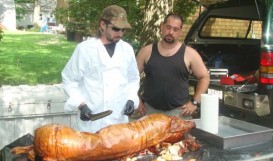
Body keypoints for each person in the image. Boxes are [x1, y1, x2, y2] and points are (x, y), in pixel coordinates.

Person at [61, 5, 140, 133]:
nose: (120, 34)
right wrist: (81, 105)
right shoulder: (85, 49)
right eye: (115, 29)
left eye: (123, 30)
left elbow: (133, 79)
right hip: (93, 121)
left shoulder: (127, 49)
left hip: (118, 121)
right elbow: (70, 80)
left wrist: (131, 99)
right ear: (103, 25)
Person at [136, 13, 210, 118]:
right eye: (168, 27)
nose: (170, 32)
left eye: (175, 29)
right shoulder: (146, 51)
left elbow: (204, 77)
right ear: (162, 26)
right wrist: (136, 98)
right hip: (149, 111)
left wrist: (194, 102)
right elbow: (131, 77)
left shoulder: (190, 53)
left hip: (179, 113)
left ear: (180, 31)